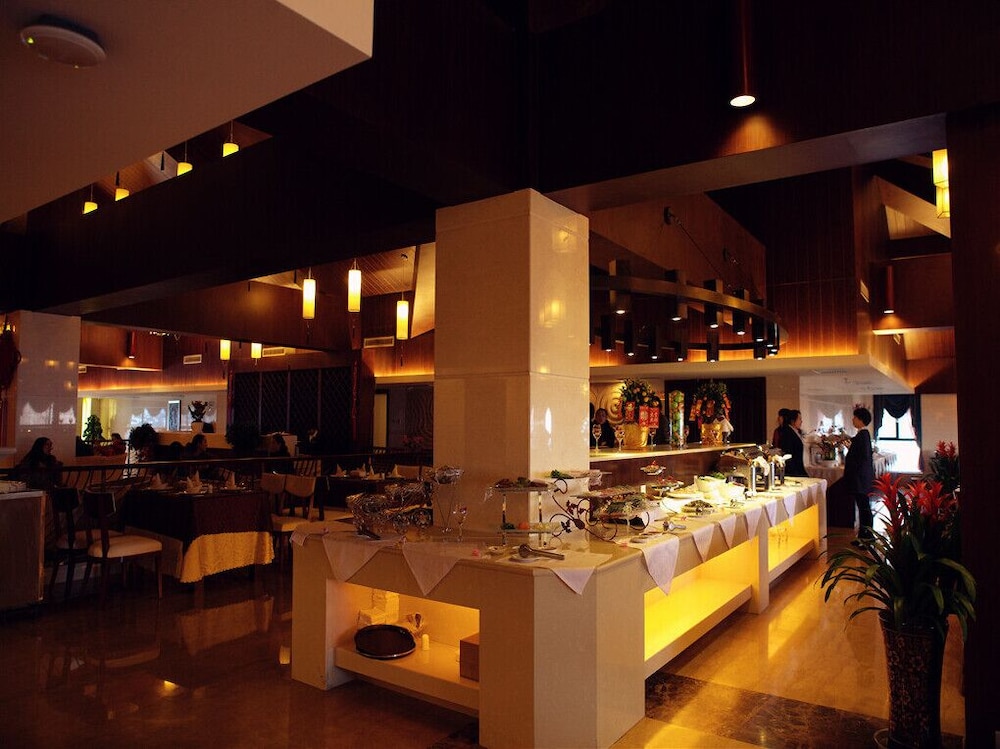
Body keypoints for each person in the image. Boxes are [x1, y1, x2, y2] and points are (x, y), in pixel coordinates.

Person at [844, 406, 875, 542]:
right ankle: (863, 536)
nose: (853, 419)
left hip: (859, 478)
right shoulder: (862, 435)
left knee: (864, 508)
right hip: (861, 478)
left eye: (855, 417)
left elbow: (859, 458)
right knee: (863, 507)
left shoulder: (862, 435)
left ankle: (867, 536)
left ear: (860, 420)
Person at [776, 410, 808, 477]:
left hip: (798, 468)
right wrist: (795, 473)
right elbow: (788, 453)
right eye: (799, 419)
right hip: (794, 470)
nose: (801, 421)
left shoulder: (795, 432)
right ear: (793, 421)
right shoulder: (788, 433)